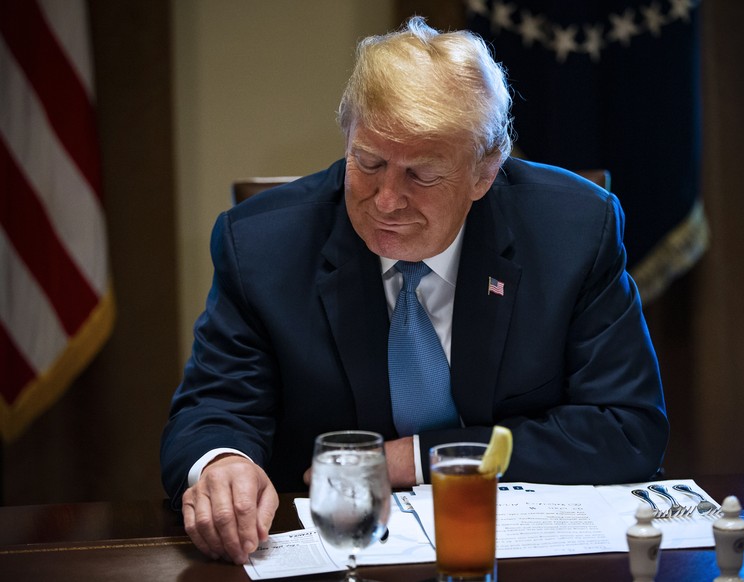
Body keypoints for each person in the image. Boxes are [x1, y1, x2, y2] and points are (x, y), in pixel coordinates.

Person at [160, 16, 668, 565]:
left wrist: (419, 459)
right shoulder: (260, 246)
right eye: (369, 163)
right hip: (326, 553)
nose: (386, 200)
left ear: (485, 172)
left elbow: (626, 427)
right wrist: (221, 463)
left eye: (421, 175)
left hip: (518, 552)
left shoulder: (573, 231)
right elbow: (213, 408)